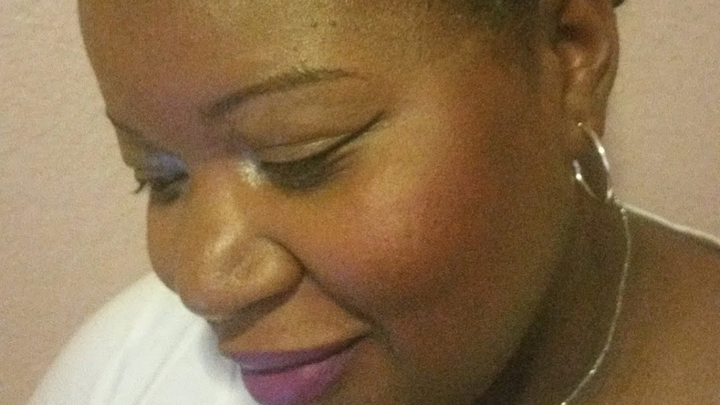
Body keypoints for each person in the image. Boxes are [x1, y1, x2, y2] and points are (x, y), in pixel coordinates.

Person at [29, 0, 720, 405]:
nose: (203, 284)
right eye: (160, 176)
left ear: (570, 60)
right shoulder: (120, 376)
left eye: (301, 156)